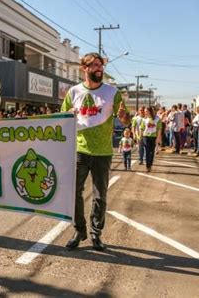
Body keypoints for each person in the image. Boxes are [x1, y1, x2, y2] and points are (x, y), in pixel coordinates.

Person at [61, 52, 130, 251]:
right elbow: (63, 117)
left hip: (102, 152)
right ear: (85, 69)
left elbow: (125, 120)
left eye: (101, 65)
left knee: (100, 196)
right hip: (79, 150)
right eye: (95, 65)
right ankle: (79, 230)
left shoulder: (112, 93)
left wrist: (124, 117)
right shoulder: (73, 92)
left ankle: (95, 233)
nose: (99, 69)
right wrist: (68, 115)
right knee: (73, 192)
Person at [140, 107, 162, 172]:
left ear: (150, 111)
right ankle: (148, 166)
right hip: (146, 136)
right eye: (144, 111)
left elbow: (159, 129)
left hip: (154, 137)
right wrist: (140, 137)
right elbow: (142, 129)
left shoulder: (157, 119)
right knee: (147, 151)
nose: (145, 112)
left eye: (146, 111)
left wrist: (158, 138)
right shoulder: (144, 119)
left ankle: (150, 163)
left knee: (152, 152)